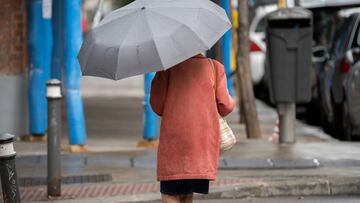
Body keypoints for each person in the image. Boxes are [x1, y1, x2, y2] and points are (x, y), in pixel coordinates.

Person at [150, 53, 235, 203]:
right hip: (201, 143)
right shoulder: (214, 67)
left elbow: (157, 105)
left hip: (175, 142)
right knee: (187, 194)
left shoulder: (167, 69)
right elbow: (226, 106)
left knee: (170, 195)